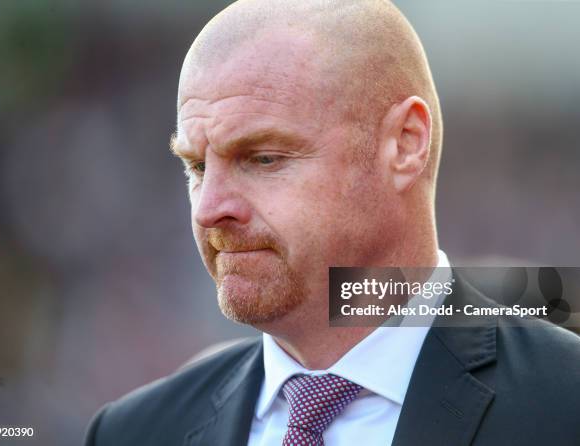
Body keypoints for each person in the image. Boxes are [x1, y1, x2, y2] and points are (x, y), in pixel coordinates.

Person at [84, 0, 580, 445]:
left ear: (405, 144)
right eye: (196, 166)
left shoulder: (564, 405)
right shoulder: (133, 432)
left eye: (263, 158)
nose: (208, 207)